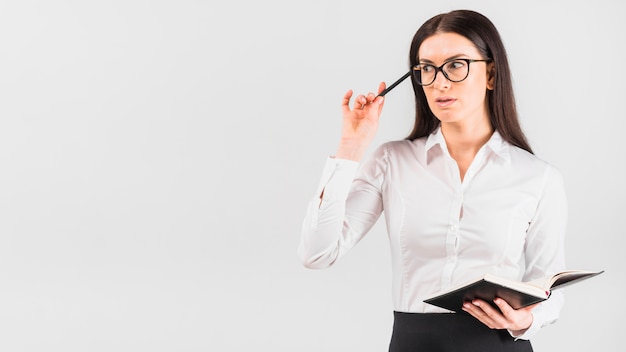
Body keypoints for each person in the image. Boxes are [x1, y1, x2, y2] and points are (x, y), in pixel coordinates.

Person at [298, 9, 568, 352]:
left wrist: (527, 320)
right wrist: (350, 147)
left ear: (490, 74)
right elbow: (316, 252)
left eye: (456, 65)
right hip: (414, 343)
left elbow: (550, 284)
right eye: (427, 68)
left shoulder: (538, 177)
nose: (440, 82)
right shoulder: (391, 161)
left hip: (499, 345)